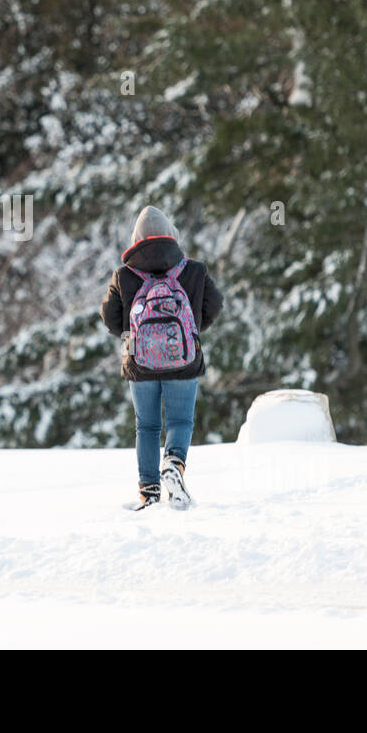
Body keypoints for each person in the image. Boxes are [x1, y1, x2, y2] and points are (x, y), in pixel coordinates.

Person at [99, 206, 223, 509]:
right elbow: (216, 305)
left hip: (140, 364)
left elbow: (109, 317)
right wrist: (191, 331)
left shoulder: (124, 275)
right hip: (184, 361)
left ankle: (149, 491)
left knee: (148, 427)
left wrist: (134, 335)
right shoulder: (194, 270)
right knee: (180, 420)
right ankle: (174, 464)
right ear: (171, 236)